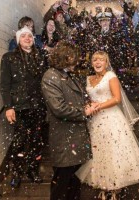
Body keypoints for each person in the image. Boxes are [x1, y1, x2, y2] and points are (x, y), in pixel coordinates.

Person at [75, 51, 139, 200]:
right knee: (100, 151)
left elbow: (116, 98)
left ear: (106, 63)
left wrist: (98, 106)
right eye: (95, 60)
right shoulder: (88, 79)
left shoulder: (111, 76)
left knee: (114, 152)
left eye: (101, 60)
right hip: (95, 121)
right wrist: (89, 105)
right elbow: (87, 98)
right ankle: (104, 185)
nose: (97, 62)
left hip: (111, 118)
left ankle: (115, 188)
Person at [41, 42, 95, 200]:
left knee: (74, 184)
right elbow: (59, 108)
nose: (76, 61)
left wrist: (88, 103)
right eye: (73, 57)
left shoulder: (69, 75)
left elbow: (78, 99)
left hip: (76, 138)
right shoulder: (51, 75)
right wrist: (84, 111)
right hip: (64, 139)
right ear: (64, 56)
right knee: (61, 185)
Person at [0, 26, 47, 187]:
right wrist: (8, 107)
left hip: (38, 106)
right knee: (19, 141)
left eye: (30, 36)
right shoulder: (8, 58)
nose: (27, 38)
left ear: (33, 39)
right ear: (18, 40)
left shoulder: (41, 56)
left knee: (36, 141)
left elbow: (45, 81)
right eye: (23, 36)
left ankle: (33, 170)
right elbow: (5, 85)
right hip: (19, 107)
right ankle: (17, 172)